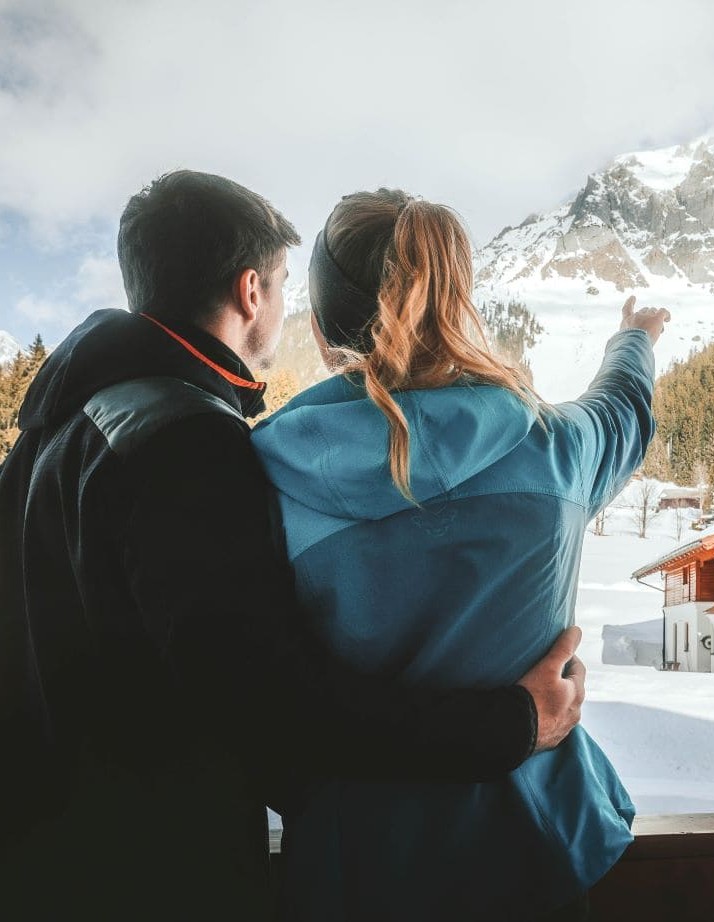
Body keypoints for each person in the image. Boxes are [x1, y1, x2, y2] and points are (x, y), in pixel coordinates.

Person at [0, 171, 587, 922]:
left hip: (42, 860)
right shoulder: (185, 444)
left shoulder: (54, 433)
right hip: (150, 877)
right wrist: (513, 725)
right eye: (281, 285)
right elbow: (277, 703)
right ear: (252, 292)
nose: (283, 308)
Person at [250, 189, 667, 920]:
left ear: (320, 329)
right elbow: (621, 412)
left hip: (356, 868)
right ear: (452, 300)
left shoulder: (265, 475)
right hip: (536, 848)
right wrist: (632, 339)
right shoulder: (557, 451)